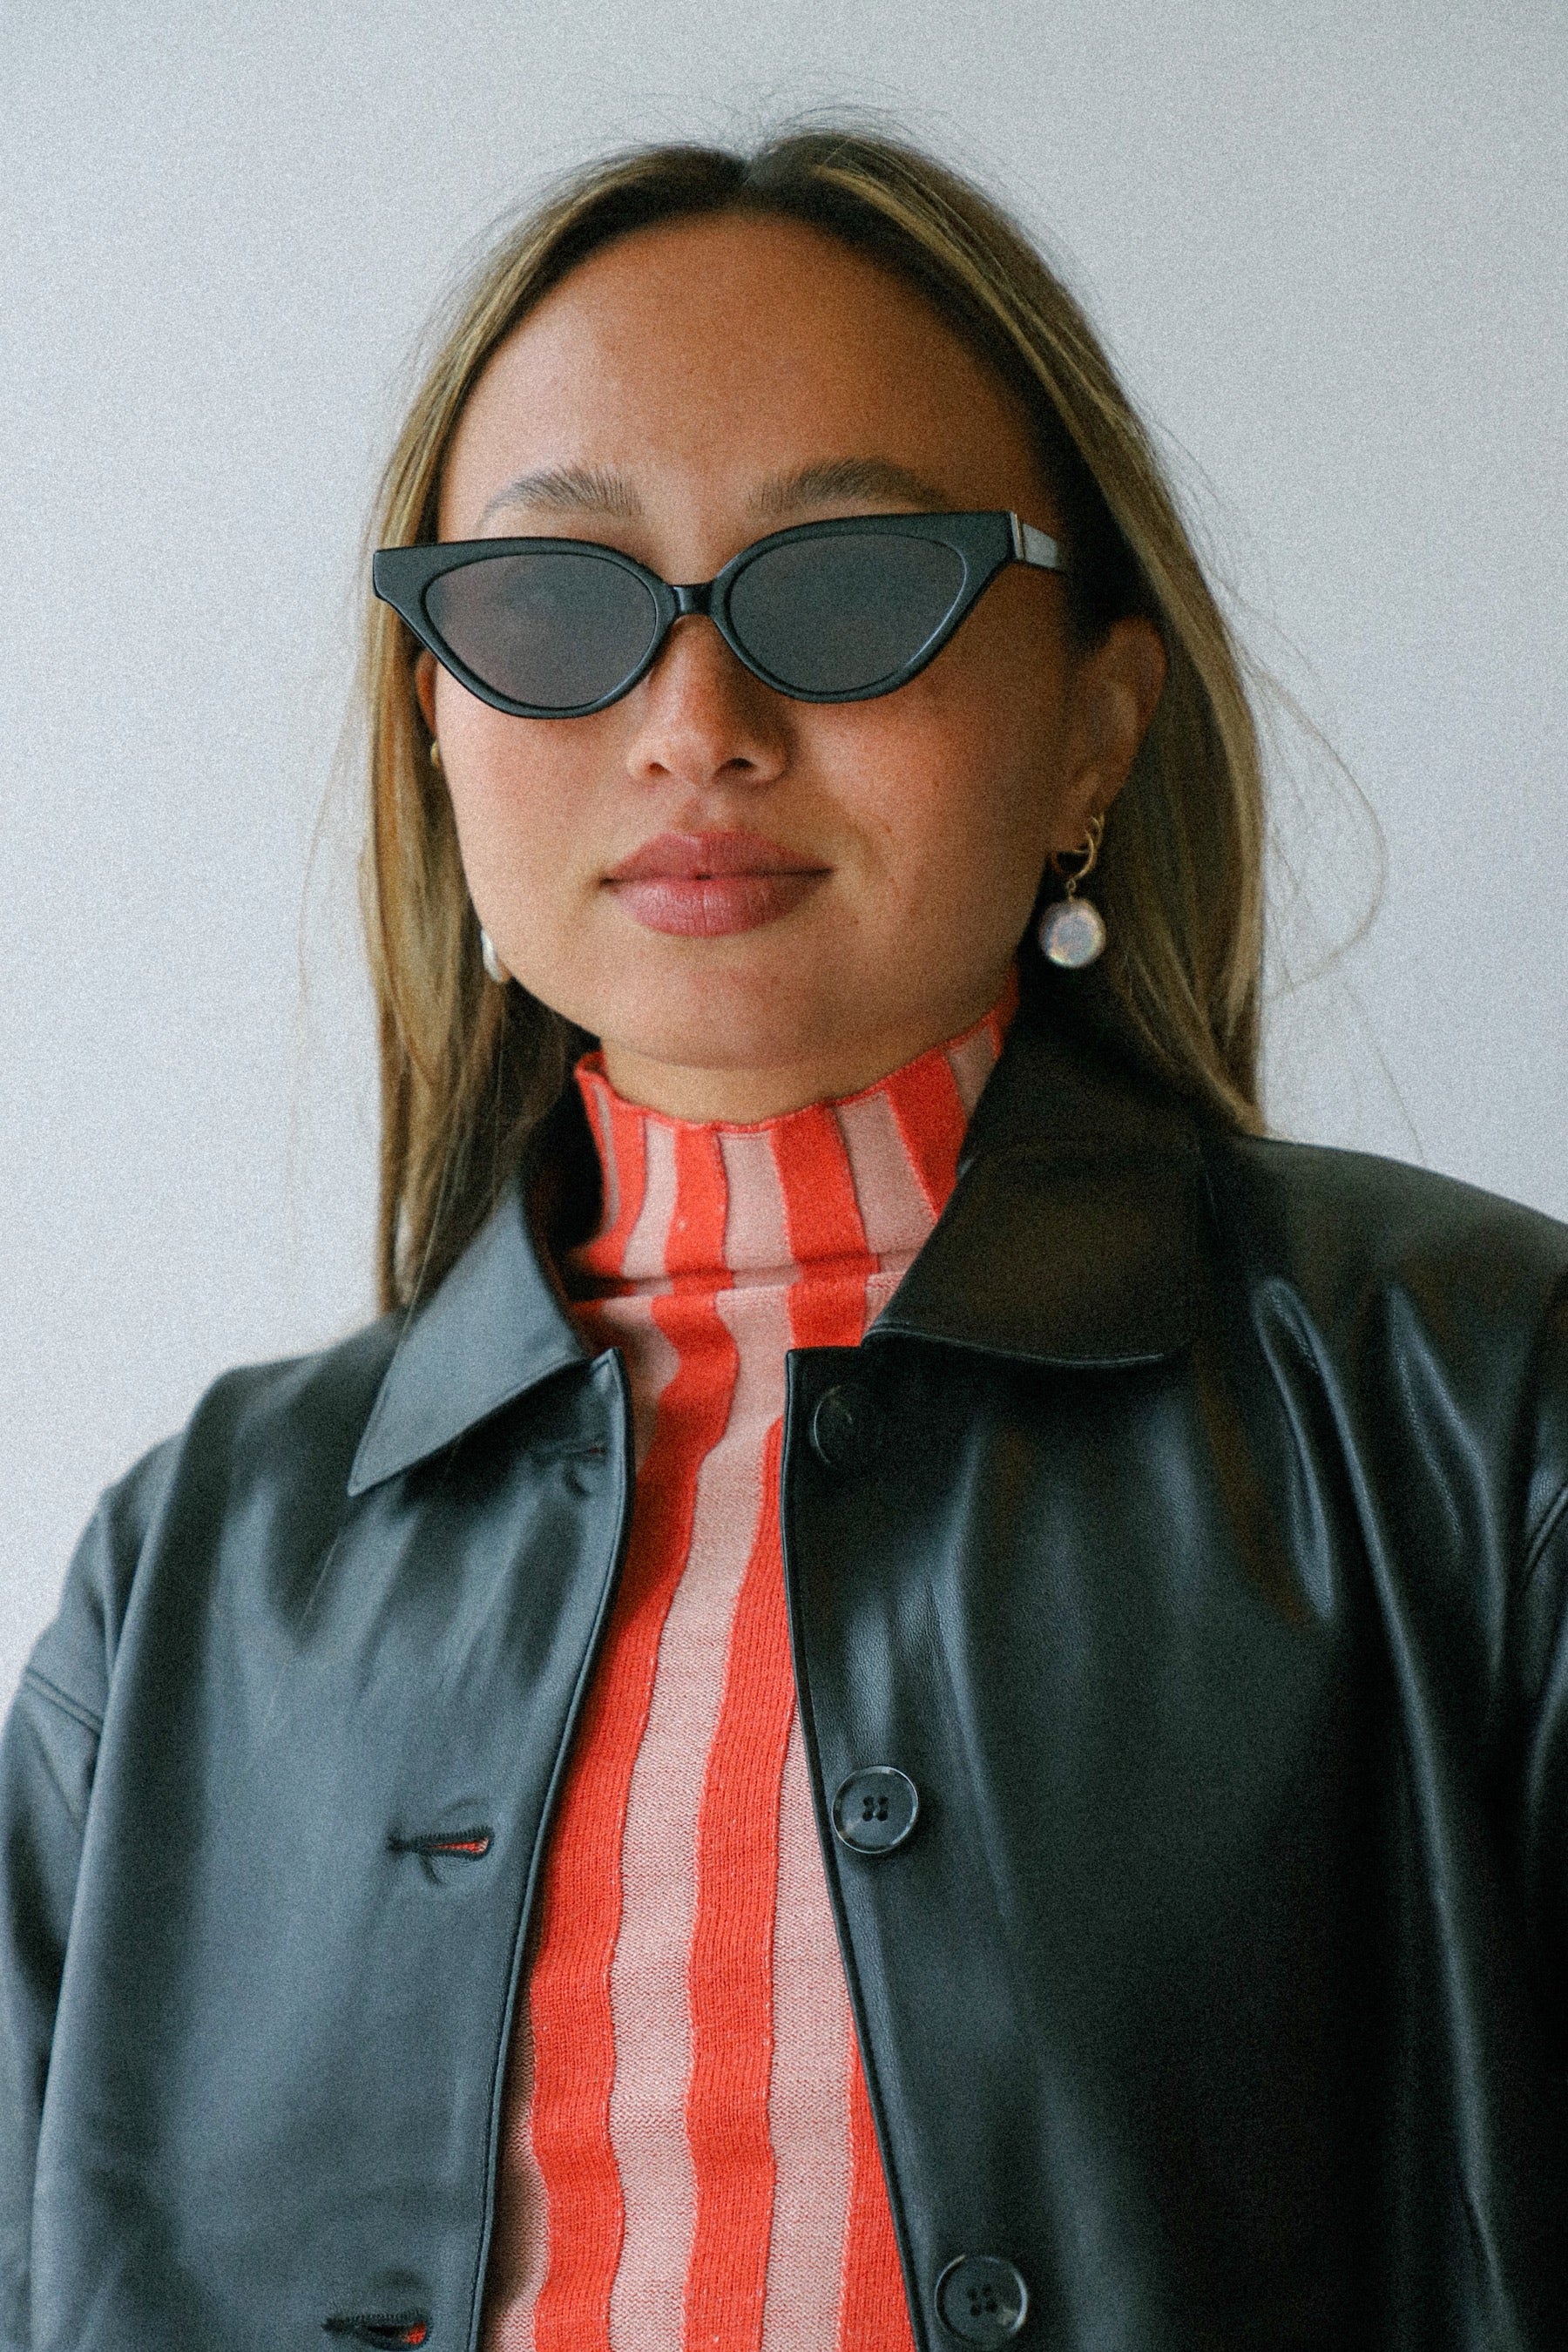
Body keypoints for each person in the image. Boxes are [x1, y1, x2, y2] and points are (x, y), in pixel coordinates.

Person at [3, 126, 1565, 2352]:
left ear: (1096, 723)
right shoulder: (191, 1576)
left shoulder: (1486, 1412)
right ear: (435, 718)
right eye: (555, 608)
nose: (695, 731)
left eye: (845, 590)